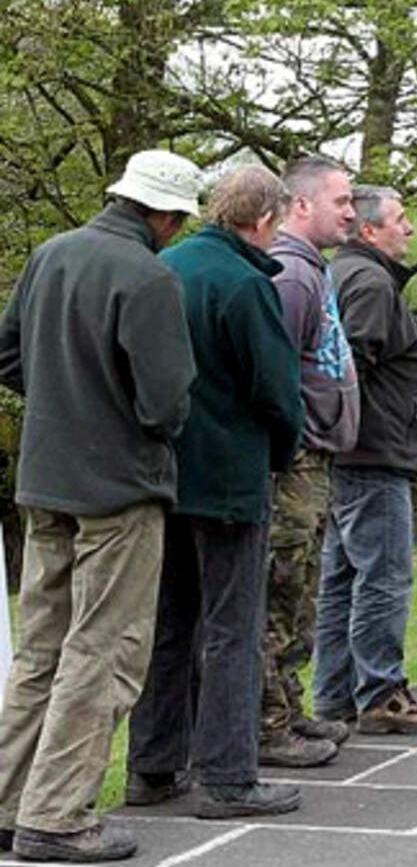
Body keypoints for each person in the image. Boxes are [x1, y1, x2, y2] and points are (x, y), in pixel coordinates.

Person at [0, 151, 200, 863]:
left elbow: (7, 355)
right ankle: (55, 815)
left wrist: (67, 403)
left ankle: (9, 800)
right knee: (103, 649)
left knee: (41, 651)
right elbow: (165, 402)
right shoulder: (148, 276)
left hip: (45, 479)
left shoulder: (51, 254)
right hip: (119, 487)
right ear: (167, 215)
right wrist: (112, 415)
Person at [127, 165, 305, 821]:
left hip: (161, 471)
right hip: (230, 475)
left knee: (169, 623)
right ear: (265, 219)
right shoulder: (246, 283)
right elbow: (276, 388)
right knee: (233, 627)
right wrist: (282, 453)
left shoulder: (164, 268)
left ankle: (152, 764)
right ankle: (229, 775)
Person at [316, 186, 417, 733]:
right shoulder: (370, 283)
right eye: (400, 219)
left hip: (351, 455)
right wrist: (356, 432)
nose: (411, 229)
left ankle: (333, 695)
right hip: (373, 455)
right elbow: (351, 366)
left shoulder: (341, 274)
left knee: (341, 579)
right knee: (384, 578)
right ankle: (381, 694)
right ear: (369, 230)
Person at [261, 156, 360, 768]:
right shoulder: (292, 275)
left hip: (315, 457)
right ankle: (269, 725)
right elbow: (277, 373)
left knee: (302, 593)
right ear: (301, 205)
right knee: (283, 585)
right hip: (294, 462)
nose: (351, 212)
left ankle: (290, 708)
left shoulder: (312, 270)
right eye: (340, 201)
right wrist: (299, 433)